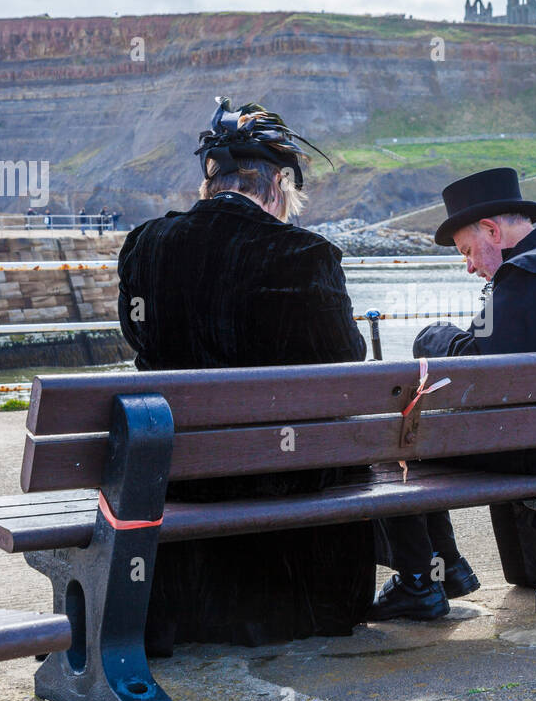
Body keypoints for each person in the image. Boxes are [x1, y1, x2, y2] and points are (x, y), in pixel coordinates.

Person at [117, 96, 372, 651]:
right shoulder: (305, 254)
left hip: (173, 471)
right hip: (283, 473)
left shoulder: (144, 245)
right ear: (278, 184)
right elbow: (346, 367)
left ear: (211, 181)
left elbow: (141, 343)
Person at [369, 167, 536, 621]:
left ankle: (422, 580)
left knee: (391, 446)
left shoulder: (527, 274)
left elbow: (477, 367)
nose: (470, 266)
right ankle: (445, 569)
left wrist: (430, 335)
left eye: (467, 251)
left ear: (493, 231)